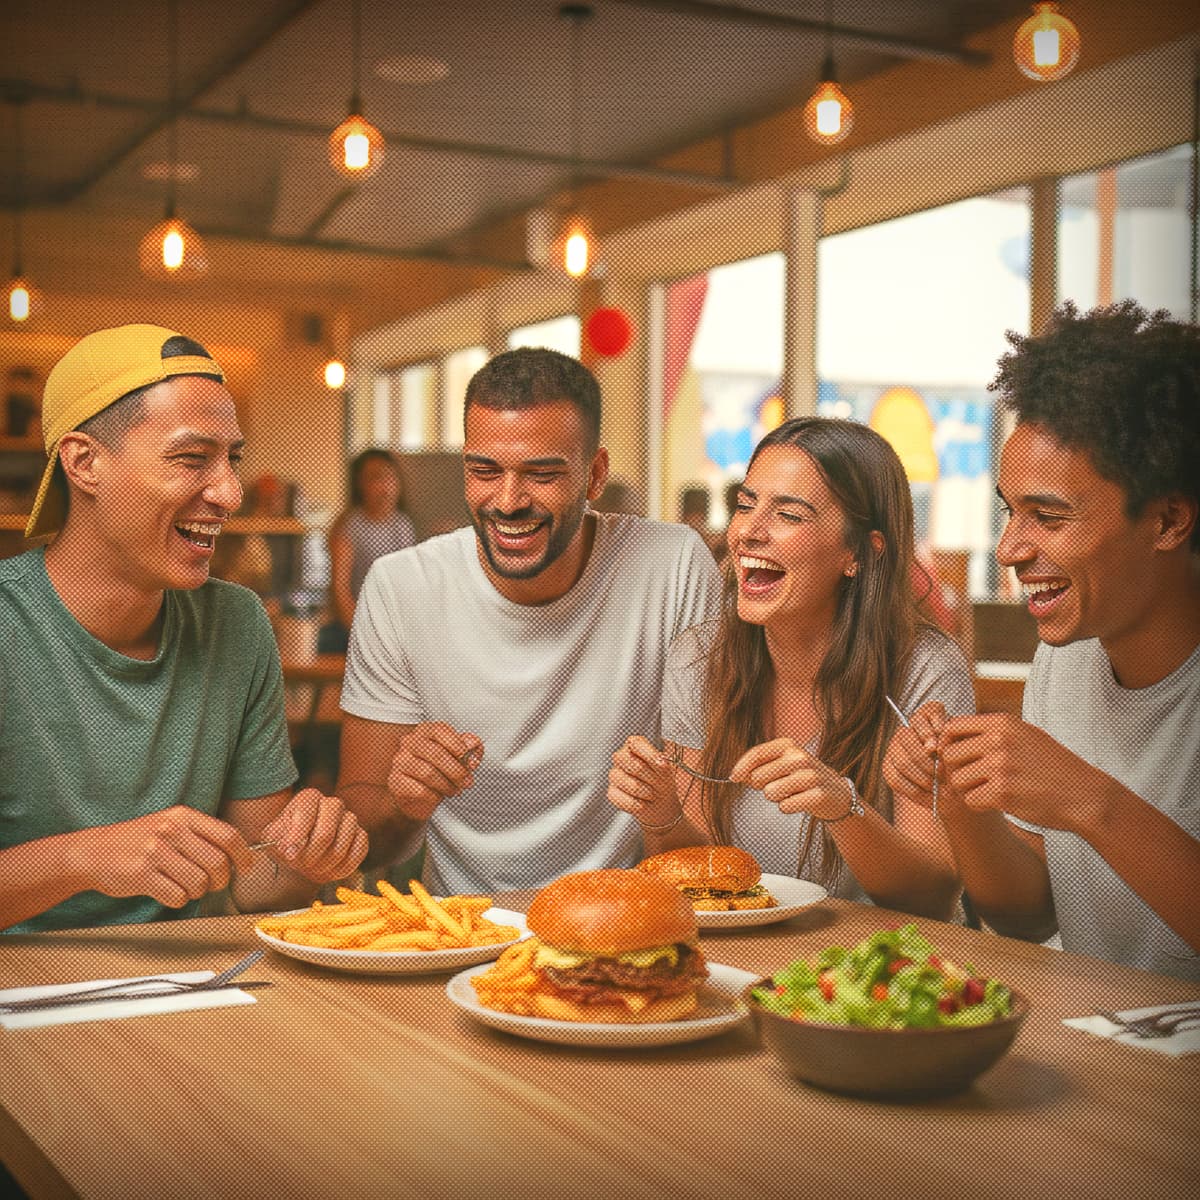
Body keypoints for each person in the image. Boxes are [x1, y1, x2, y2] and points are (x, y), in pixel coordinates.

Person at [0, 324, 367, 933]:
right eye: (191, 459)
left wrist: (318, 855)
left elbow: (259, 881)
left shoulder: (238, 624)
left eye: (232, 461)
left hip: (191, 990)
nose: (228, 491)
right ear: (85, 463)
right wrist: (81, 858)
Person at [884, 301, 1200, 979]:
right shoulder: (1066, 659)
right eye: (1009, 511)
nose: (1007, 549)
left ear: (1169, 518)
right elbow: (1032, 916)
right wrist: (962, 800)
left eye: (1047, 516)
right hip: (1101, 1047)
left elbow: (1089, 807)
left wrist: (1090, 800)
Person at [337, 347, 722, 894]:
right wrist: (405, 803)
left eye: (541, 474)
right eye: (485, 471)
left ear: (594, 476)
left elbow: (699, 834)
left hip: (624, 925)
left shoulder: (674, 565)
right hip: (462, 934)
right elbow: (370, 841)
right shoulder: (400, 585)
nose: (508, 501)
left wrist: (660, 813)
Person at [609, 417, 972, 919]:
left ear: (860, 553)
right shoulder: (700, 658)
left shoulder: (924, 667)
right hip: (743, 963)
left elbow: (933, 894)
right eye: (745, 505)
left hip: (872, 972)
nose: (747, 533)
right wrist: (663, 817)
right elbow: (699, 880)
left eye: (789, 515)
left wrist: (844, 808)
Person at [322, 449, 416, 651]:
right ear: (360, 484)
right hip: (351, 626)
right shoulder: (350, 525)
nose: (385, 486)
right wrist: (364, 635)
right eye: (375, 478)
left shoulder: (402, 524)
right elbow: (340, 590)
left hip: (392, 627)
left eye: (390, 476)